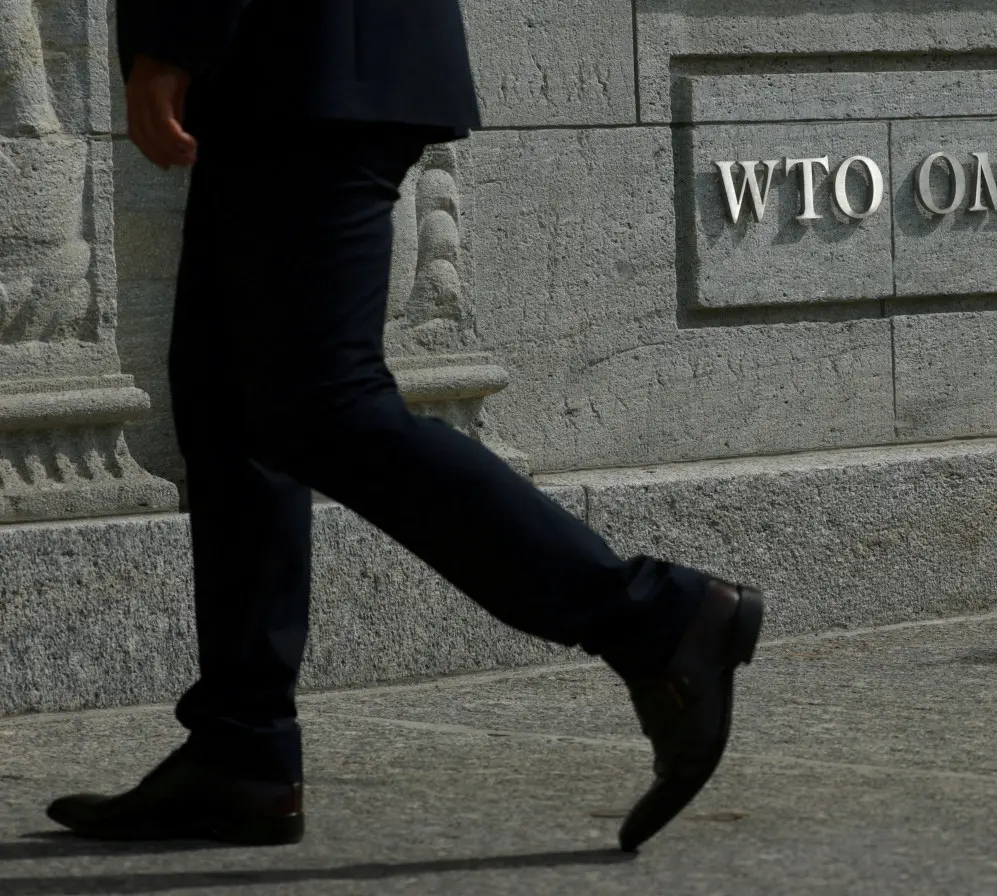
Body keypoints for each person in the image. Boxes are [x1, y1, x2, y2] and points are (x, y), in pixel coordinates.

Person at [45, 0, 764, 854]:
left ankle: (655, 617)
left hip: (304, 48)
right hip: (310, 59)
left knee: (322, 403)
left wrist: (178, 32)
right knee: (231, 404)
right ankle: (241, 752)